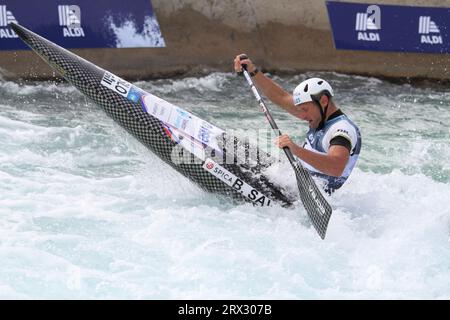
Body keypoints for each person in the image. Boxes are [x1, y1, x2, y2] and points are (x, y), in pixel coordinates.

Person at [234, 54, 361, 193]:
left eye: (305, 110)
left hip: (311, 196)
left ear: (323, 101)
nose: (302, 116)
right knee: (236, 153)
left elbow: (336, 167)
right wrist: (253, 72)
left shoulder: (341, 129)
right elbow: (281, 97)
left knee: (235, 169)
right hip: (295, 181)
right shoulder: (318, 114)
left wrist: (295, 149)